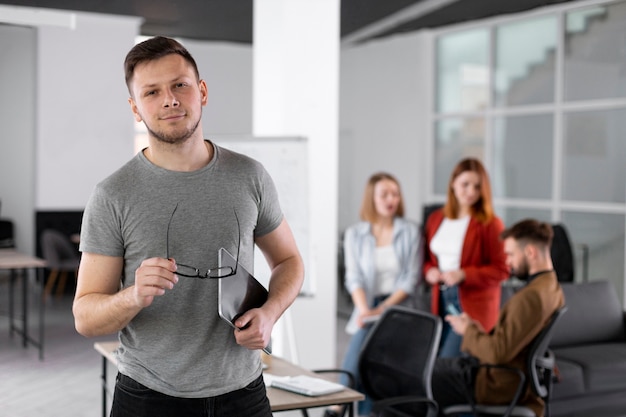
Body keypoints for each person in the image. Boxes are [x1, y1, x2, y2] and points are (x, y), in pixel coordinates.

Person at [72, 36, 304, 417]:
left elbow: (289, 260)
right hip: (149, 396)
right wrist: (133, 295)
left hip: (243, 394)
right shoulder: (112, 195)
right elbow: (85, 317)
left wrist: (270, 312)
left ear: (202, 91)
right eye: (152, 92)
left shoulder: (250, 176)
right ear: (135, 108)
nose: (170, 99)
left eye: (180, 84)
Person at [431, 219, 566, 417]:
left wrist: (467, 330)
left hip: (496, 384)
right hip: (506, 376)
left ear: (530, 252)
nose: (508, 262)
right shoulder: (552, 287)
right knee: (429, 368)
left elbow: (497, 353)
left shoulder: (531, 297)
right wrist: (474, 328)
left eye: (511, 254)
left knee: (417, 375)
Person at [325, 172, 420, 417]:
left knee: (370, 361)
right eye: (384, 194)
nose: (391, 199)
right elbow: (353, 276)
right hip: (366, 305)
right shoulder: (356, 234)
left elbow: (411, 279)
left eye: (395, 193)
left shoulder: (410, 231)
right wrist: (365, 309)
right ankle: (344, 407)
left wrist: (381, 309)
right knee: (360, 357)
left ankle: (338, 406)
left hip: (398, 309)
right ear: (372, 198)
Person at [423, 157, 509, 357]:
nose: (471, 192)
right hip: (441, 298)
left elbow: (502, 269)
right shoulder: (436, 218)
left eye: (477, 187)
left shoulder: (490, 223)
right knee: (436, 360)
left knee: (448, 363)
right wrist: (429, 272)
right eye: (465, 184)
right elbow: (427, 260)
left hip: (472, 304)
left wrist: (464, 274)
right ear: (453, 183)